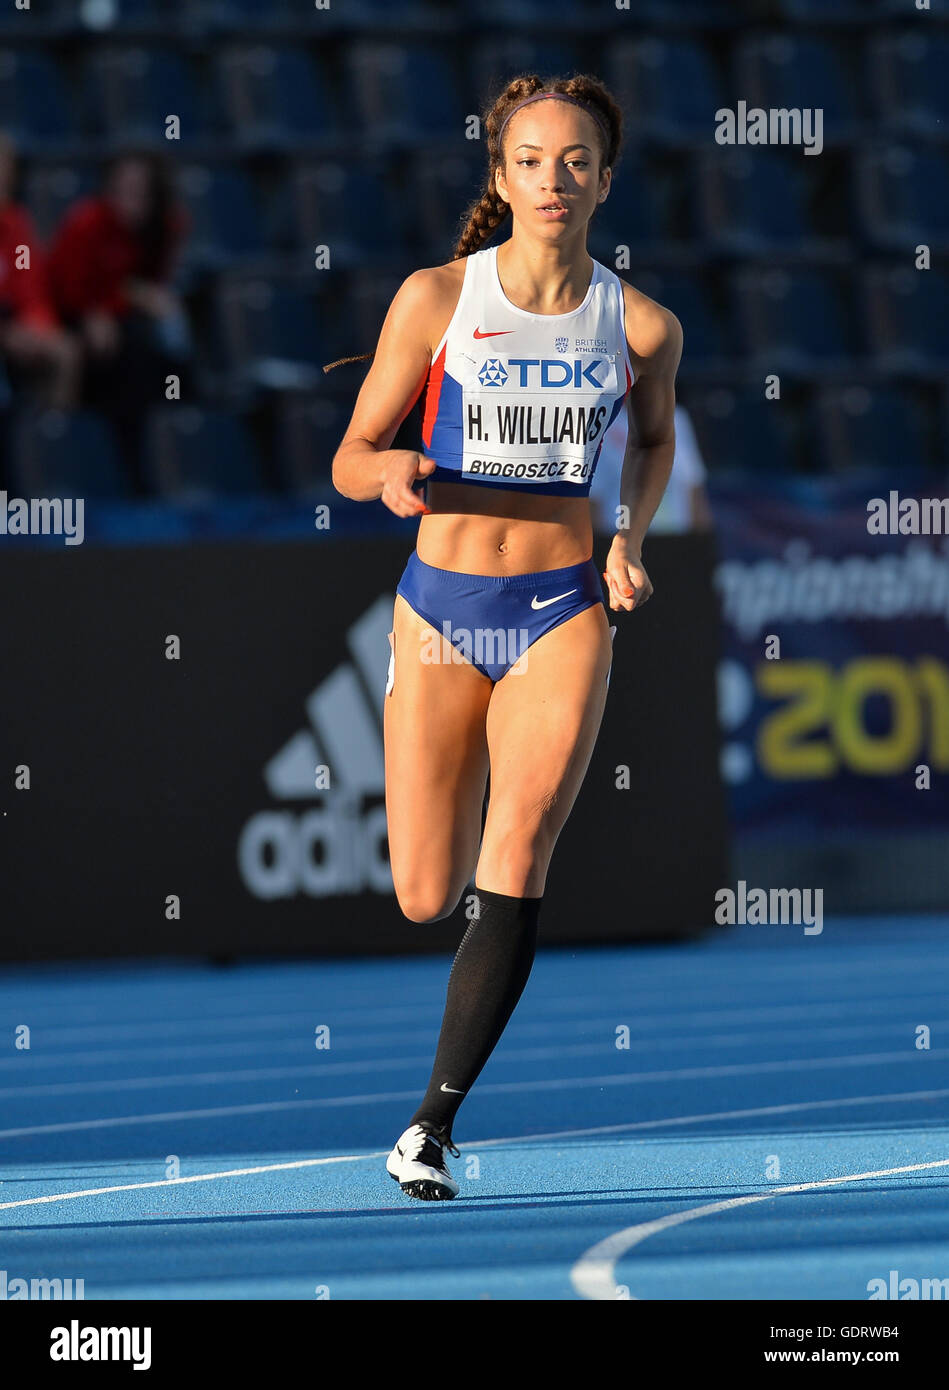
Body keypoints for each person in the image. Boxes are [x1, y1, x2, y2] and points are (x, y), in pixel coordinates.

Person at [331, 74, 682, 1201]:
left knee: (519, 850)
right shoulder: (437, 299)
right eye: (531, 161)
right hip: (438, 612)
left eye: (575, 161)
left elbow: (655, 442)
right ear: (500, 176)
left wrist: (626, 536)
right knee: (426, 894)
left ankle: (431, 1126)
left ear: (606, 180)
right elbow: (349, 454)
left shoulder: (638, 324)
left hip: (560, 611)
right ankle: (432, 1105)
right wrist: (382, 469)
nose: (554, 181)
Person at [46, 150, 192, 490]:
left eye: (141, 191)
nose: (132, 200)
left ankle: (179, 451)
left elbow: (153, 284)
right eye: (123, 189)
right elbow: (66, 289)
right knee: (130, 357)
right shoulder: (86, 223)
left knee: (171, 349)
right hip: (73, 321)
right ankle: (122, 469)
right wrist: (98, 311)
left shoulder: (166, 225)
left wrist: (131, 299)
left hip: (129, 326)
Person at [0, 132, 81, 411]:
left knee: (64, 351)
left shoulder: (16, 225)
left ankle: (51, 437)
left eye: (5, 167)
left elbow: (30, 286)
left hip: (13, 323)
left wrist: (33, 326)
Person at [590, 402, 713, 535]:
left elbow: (694, 488)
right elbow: (592, 501)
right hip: (622, 546)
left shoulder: (677, 419)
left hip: (677, 545)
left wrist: (704, 548)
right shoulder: (601, 423)